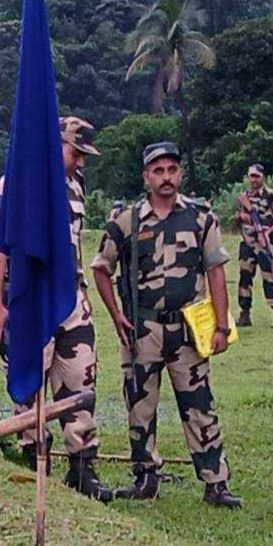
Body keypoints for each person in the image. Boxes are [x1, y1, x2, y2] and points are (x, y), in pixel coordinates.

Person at [92, 141, 242, 508]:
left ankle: (215, 482)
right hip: (142, 330)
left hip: (187, 329)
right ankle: (145, 477)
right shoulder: (125, 221)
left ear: (180, 173)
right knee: (140, 405)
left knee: (199, 403)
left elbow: (216, 272)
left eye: (172, 170)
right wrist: (116, 316)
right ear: (146, 177)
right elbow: (100, 268)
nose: (166, 178)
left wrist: (221, 326)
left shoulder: (201, 217)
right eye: (158, 171)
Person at [0, 117, 112, 502]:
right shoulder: (13, 186)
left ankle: (83, 467)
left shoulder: (75, 186)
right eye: (76, 153)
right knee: (29, 385)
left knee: (80, 381)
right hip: (28, 302)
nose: (81, 163)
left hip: (71, 299)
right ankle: (34, 459)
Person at [233, 163, 273, 329]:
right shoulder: (245, 196)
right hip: (248, 242)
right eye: (251, 176)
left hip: (265, 242)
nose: (254, 179)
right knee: (245, 277)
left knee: (269, 277)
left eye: (257, 176)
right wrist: (242, 216)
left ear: (263, 177)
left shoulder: (271, 196)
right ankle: (245, 313)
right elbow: (237, 218)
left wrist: (269, 232)